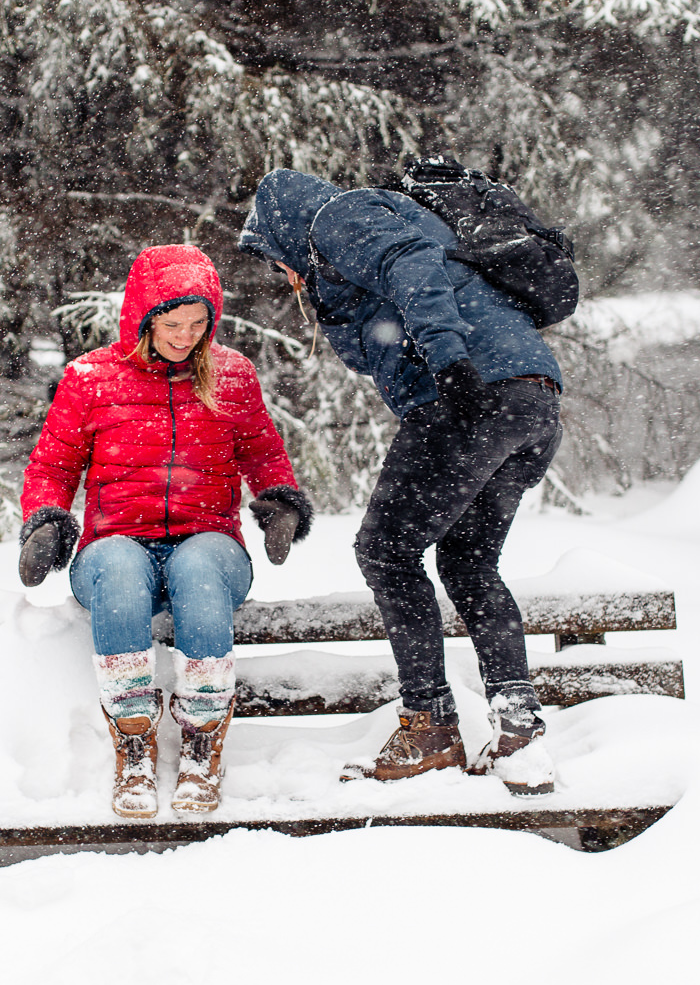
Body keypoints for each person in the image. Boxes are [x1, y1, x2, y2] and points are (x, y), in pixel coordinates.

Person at [238, 168, 563, 795]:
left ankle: (430, 726)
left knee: (385, 550)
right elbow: (391, 316)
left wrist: (447, 356)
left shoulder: (337, 217)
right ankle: (519, 736)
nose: (284, 275)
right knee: (468, 564)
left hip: (474, 391)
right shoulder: (361, 241)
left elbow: (414, 264)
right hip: (533, 400)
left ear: (283, 230)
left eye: (278, 260)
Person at [17, 244, 312, 819]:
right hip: (115, 544)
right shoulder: (90, 378)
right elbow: (52, 466)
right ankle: (134, 747)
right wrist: (47, 523)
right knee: (122, 571)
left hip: (210, 543)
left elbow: (263, 453)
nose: (186, 335)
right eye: (173, 323)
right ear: (143, 317)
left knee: (197, 569)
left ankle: (203, 747)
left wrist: (279, 503)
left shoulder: (230, 375)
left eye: (199, 323)